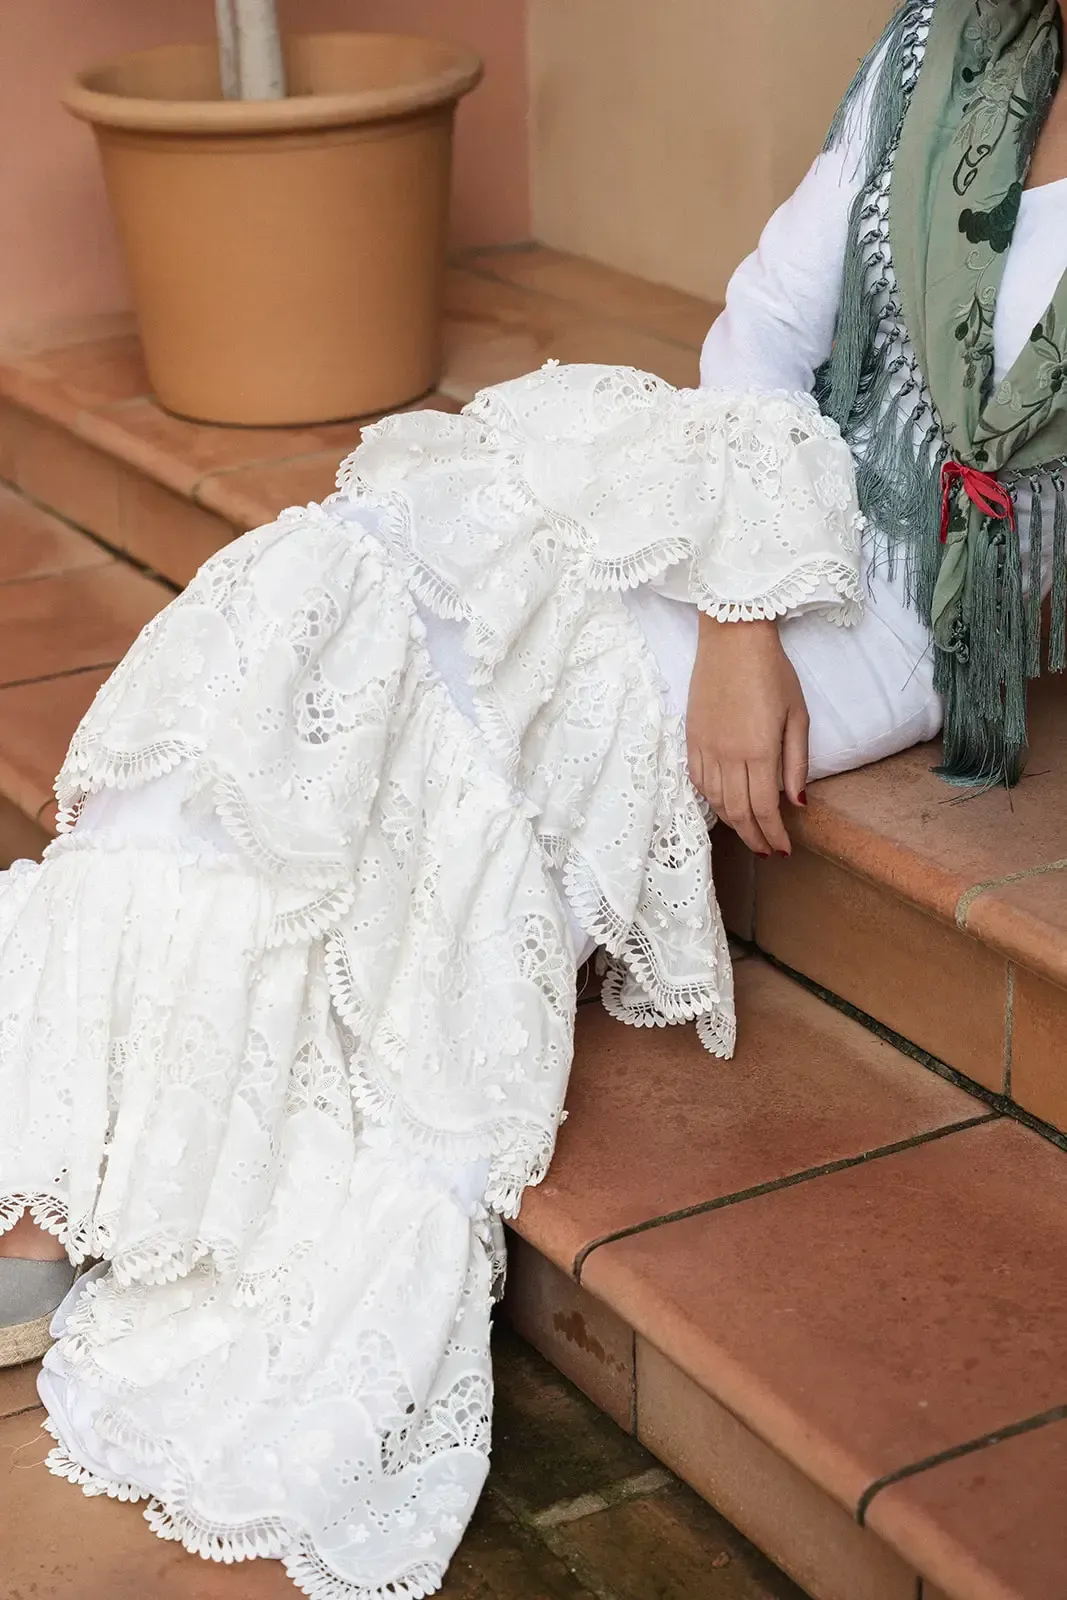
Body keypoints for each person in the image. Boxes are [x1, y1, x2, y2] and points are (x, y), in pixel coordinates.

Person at [1, 2, 1066, 1596]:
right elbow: (763, 337)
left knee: (474, 741)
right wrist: (733, 609)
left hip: (919, 606)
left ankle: (92, 1192)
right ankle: (57, 1151)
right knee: (347, 587)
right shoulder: (956, 47)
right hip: (745, 499)